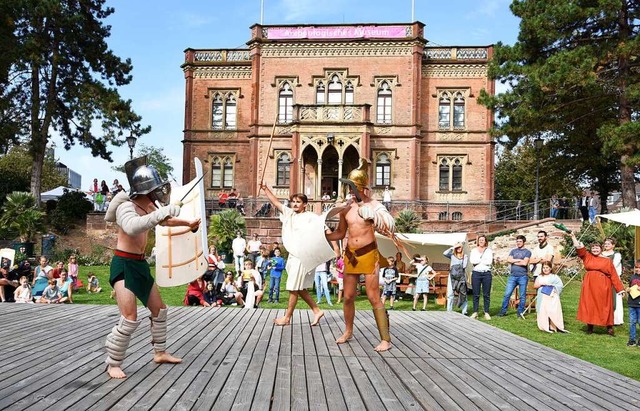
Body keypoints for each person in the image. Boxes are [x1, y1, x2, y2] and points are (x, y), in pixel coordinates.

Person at [102, 157, 200, 379]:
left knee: (159, 310)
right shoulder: (126, 207)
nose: (158, 192)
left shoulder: (148, 205)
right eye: (155, 188)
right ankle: (113, 363)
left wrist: (187, 223)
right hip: (124, 264)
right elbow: (132, 226)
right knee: (129, 317)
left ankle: (160, 352)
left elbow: (163, 221)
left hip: (139, 264)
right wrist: (160, 213)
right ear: (147, 188)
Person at [324, 158, 397, 352]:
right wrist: (323, 234)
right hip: (351, 255)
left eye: (353, 187)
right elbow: (340, 233)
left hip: (369, 254)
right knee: (348, 296)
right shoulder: (346, 208)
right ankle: (348, 331)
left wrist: (374, 216)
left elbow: (390, 224)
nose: (350, 191)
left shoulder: (374, 205)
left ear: (362, 188)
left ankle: (385, 339)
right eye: (349, 188)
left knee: (374, 297)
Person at [260, 183, 338, 326]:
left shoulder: (310, 217)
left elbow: (325, 229)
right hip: (292, 255)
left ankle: (287, 317)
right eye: (293, 202)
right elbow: (276, 203)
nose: (295, 204)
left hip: (303, 256)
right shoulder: (289, 214)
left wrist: (335, 248)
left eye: (298, 202)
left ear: (305, 205)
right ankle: (317, 310)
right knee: (299, 287)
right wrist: (266, 189)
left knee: (293, 287)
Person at [569, 231, 624, 335]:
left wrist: (620, 289)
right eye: (593, 248)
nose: (595, 249)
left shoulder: (607, 260)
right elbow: (579, 248)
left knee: (605, 305)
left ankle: (609, 327)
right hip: (589, 285)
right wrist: (573, 237)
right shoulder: (587, 256)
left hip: (603, 285)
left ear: (601, 249)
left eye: (597, 248)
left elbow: (614, 275)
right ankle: (590, 326)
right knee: (590, 305)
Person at [498, 235, 531, 319]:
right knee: (507, 294)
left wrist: (513, 261)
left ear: (524, 242)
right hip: (512, 276)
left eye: (520, 241)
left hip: (523, 276)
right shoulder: (513, 251)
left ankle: (520, 313)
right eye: (517, 241)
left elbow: (524, 263)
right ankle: (503, 312)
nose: (518, 243)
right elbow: (508, 260)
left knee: (522, 296)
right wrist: (518, 260)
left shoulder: (527, 252)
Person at [534, 262, 567, 333]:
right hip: (542, 296)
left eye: (547, 268)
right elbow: (535, 285)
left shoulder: (554, 277)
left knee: (553, 311)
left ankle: (554, 326)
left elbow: (560, 285)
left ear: (550, 268)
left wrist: (552, 286)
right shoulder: (540, 277)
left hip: (552, 296)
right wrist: (541, 284)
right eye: (544, 268)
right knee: (543, 311)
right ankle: (544, 326)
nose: (545, 269)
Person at [469, 235, 494, 320]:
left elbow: (489, 261)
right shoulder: (474, 250)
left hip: (486, 273)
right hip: (476, 273)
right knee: (476, 294)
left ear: (485, 241)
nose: (481, 241)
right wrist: (482, 261)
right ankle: (475, 312)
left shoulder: (489, 251)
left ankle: (486, 312)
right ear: (478, 241)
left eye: (483, 240)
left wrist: (479, 261)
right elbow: (472, 261)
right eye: (480, 240)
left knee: (486, 294)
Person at [602, 237, 624, 326]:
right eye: (605, 244)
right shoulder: (601, 253)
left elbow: (613, 266)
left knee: (614, 298)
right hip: (602, 278)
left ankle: (615, 319)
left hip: (612, 279)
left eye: (608, 244)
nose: (606, 245)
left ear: (613, 245)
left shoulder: (616, 255)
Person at [443, 242, 469, 315]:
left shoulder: (465, 256)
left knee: (463, 293)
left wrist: (461, 259)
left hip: (461, 277)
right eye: (457, 247)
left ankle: (464, 311)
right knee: (450, 294)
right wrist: (453, 247)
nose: (458, 248)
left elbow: (464, 266)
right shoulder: (452, 255)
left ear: (462, 248)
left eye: (460, 247)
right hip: (452, 276)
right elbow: (444, 253)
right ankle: (449, 311)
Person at [626, 260, 640, 346]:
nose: (638, 269)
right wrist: (627, 289)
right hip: (632, 303)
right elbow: (629, 286)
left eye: (639, 268)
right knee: (632, 322)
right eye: (636, 267)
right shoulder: (633, 277)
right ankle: (632, 340)